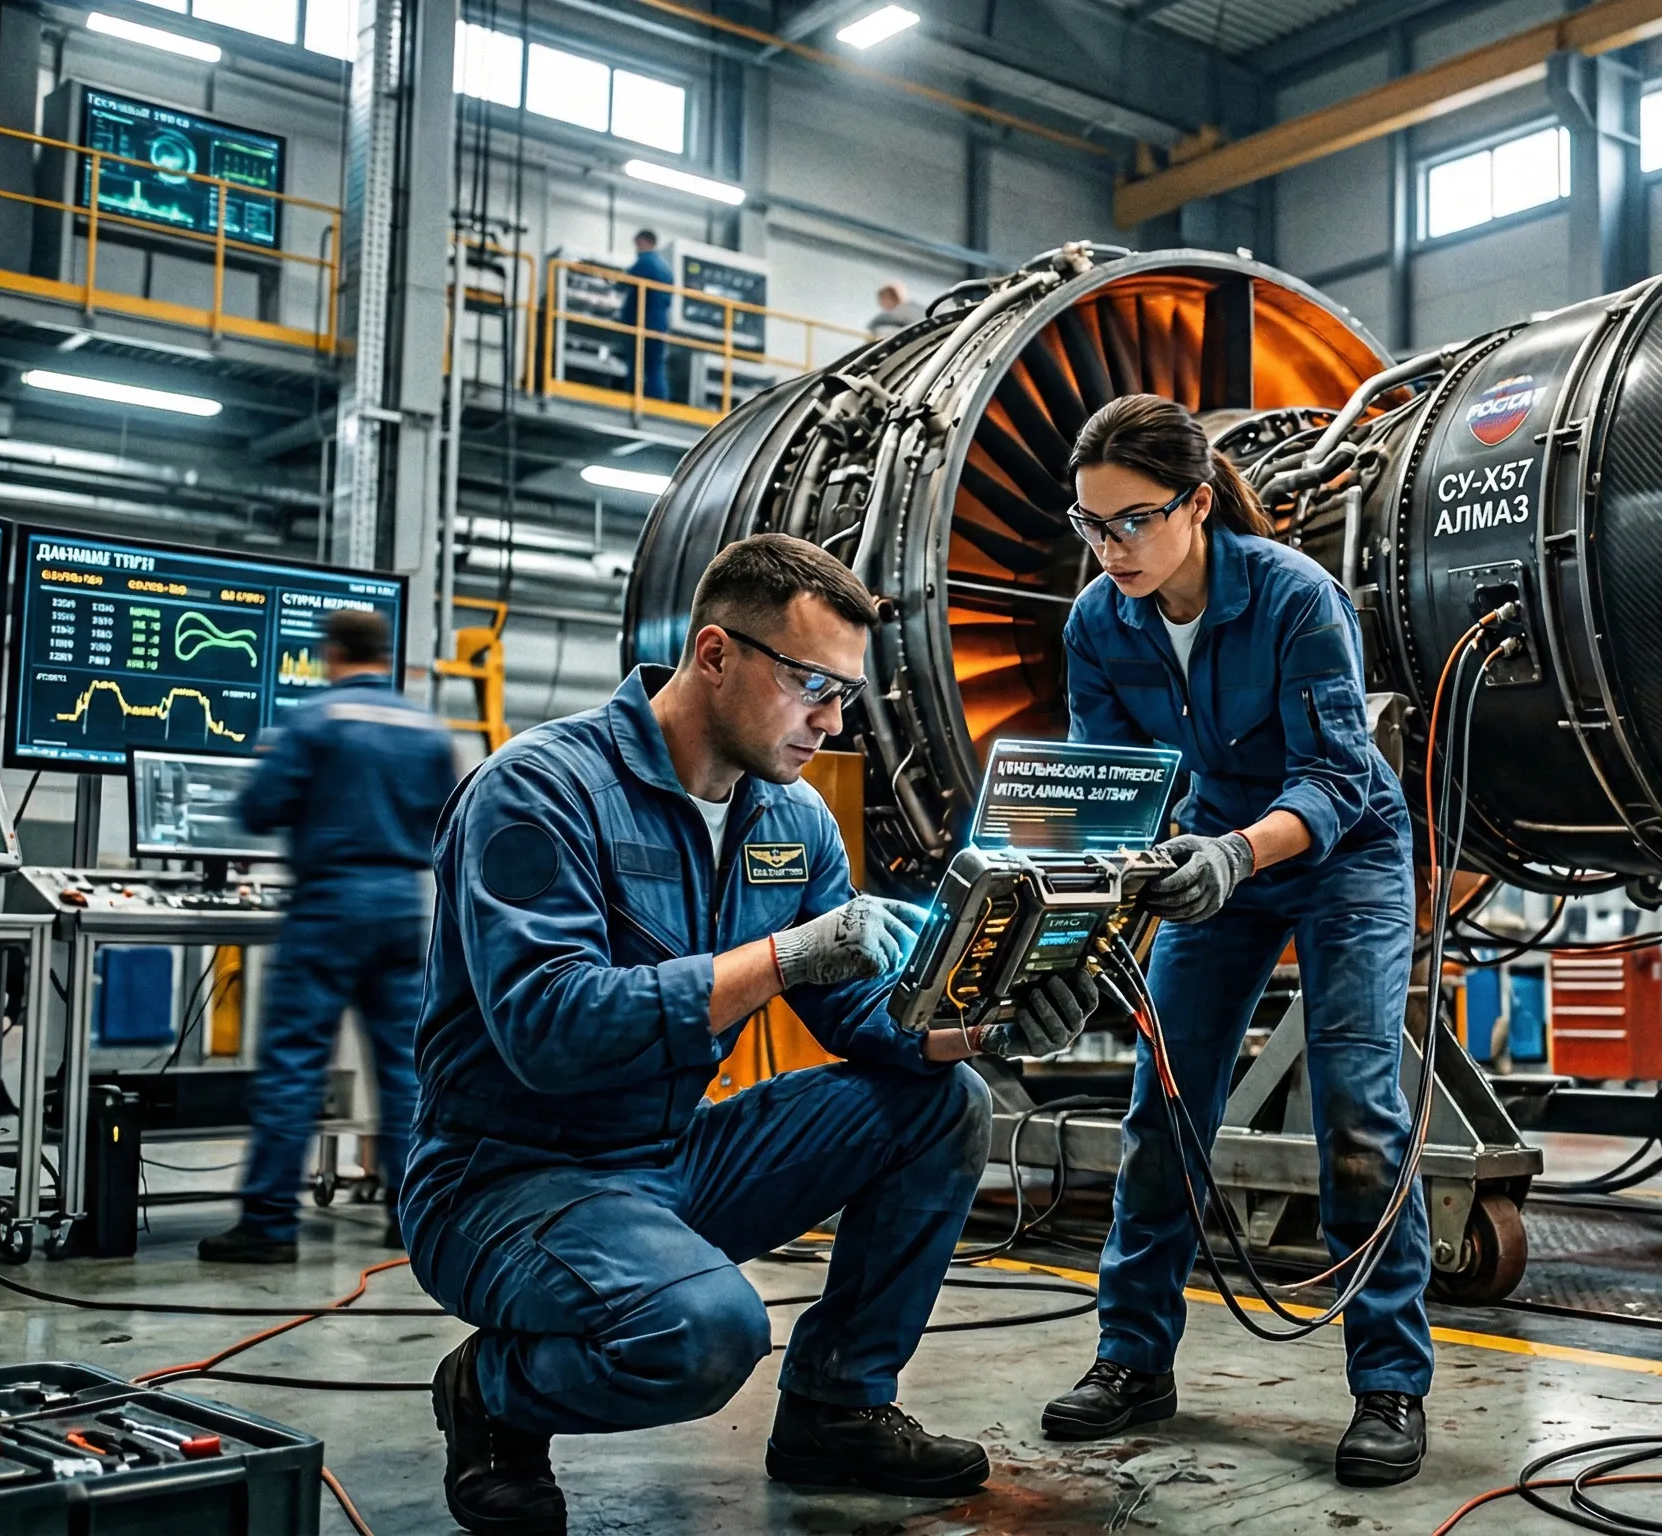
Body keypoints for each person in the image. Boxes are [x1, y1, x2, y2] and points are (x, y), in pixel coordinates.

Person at [401, 534, 1096, 1536]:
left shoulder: (792, 819)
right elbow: (547, 1031)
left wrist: (977, 1026)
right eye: (810, 682)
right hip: (503, 1179)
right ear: (716, 654)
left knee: (944, 1106)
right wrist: (783, 958)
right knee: (702, 1333)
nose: (829, 719)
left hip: (670, 1157)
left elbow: (859, 1021)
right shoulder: (539, 792)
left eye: (845, 694)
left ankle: (837, 1406)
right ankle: (492, 1392)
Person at [1039, 395, 1432, 1488]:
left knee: (1357, 1107)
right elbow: (1108, 789)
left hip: (1339, 852)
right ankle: (1132, 1361)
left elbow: (1338, 776)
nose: (1110, 547)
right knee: (1164, 1102)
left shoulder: (1294, 598)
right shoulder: (1097, 625)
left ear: (1197, 504)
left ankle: (1389, 1384)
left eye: (1131, 521)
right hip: (1213, 856)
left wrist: (1229, 855)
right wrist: (1103, 893)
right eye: (1090, 524)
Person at [199, 607, 457, 1264]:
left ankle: (267, 1224)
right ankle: (410, 1213)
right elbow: (447, 819)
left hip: (328, 906)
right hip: (403, 907)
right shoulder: (426, 731)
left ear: (334, 654)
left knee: (293, 1063)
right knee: (404, 1067)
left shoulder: (313, 722)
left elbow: (257, 809)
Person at [621, 228, 673, 402]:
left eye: (637, 244)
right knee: (655, 365)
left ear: (644, 242)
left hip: (644, 324)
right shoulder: (665, 267)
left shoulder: (646, 262)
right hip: (658, 325)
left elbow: (623, 282)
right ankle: (659, 401)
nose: (636, 248)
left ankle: (635, 397)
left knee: (638, 364)